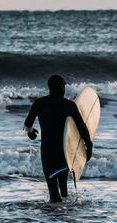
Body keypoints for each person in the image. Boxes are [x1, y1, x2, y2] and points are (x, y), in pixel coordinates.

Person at [24, 75, 93, 203]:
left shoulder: (39, 103)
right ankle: (64, 216)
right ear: (61, 87)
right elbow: (81, 128)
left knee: (53, 192)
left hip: (48, 153)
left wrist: (31, 133)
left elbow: (28, 124)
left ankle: (55, 218)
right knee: (63, 188)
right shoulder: (69, 105)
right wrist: (89, 146)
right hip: (64, 152)